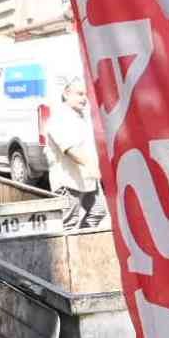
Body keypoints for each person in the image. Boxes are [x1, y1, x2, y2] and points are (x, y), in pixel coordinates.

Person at [47, 77, 104, 230]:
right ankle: (72, 245)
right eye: (80, 94)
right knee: (69, 223)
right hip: (68, 180)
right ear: (66, 94)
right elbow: (69, 149)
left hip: (87, 178)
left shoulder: (80, 117)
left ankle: (82, 241)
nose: (84, 99)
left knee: (98, 212)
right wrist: (90, 165)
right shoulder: (59, 118)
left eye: (86, 95)